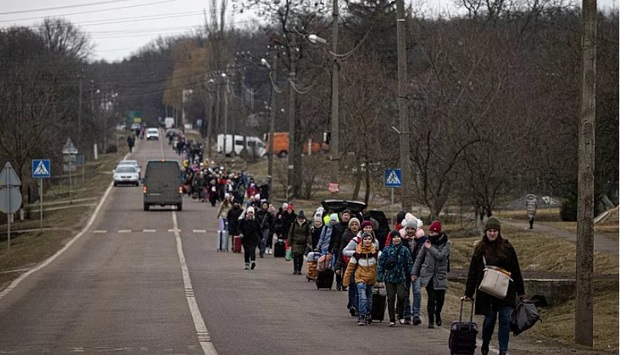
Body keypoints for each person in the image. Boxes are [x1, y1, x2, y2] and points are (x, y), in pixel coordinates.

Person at [463, 216, 526, 355]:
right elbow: (472, 272)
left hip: (505, 291)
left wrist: (521, 292)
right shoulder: (480, 249)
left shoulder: (508, 248)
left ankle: (503, 350)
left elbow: (515, 270)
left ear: (499, 232)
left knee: (505, 319)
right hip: (487, 292)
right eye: (490, 230)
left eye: (495, 231)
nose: (492, 233)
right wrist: (468, 293)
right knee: (489, 321)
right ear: (486, 232)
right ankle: (485, 343)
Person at [411, 220, 451, 328]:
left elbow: (441, 256)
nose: (431, 235)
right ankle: (431, 321)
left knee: (440, 299)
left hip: (440, 275)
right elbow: (419, 258)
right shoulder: (427, 242)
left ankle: (437, 314)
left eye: (433, 233)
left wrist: (430, 248)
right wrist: (414, 273)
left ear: (438, 232)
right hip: (428, 274)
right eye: (430, 232)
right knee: (431, 298)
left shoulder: (446, 243)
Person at [342, 232, 379, 326]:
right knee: (362, 297)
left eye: (369, 239)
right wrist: (346, 281)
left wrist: (380, 278)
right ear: (362, 241)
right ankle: (362, 315)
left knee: (369, 297)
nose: (367, 241)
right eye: (365, 239)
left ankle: (368, 313)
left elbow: (381, 265)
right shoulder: (357, 253)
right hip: (360, 278)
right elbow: (350, 267)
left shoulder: (376, 253)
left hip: (371, 278)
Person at [377, 230, 413, 327]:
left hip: (401, 277)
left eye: (398, 237)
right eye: (394, 237)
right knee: (391, 298)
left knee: (402, 296)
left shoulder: (405, 250)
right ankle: (392, 319)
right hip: (389, 278)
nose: (396, 239)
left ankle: (400, 314)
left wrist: (412, 274)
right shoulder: (386, 250)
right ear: (391, 239)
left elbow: (409, 263)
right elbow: (381, 264)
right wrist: (380, 278)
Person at [334, 217, 361, 315]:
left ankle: (355, 304)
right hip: (349, 265)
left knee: (358, 285)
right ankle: (353, 304)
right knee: (352, 284)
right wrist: (337, 267)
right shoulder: (346, 236)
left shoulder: (362, 237)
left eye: (356, 224)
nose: (354, 226)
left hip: (361, 265)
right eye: (352, 225)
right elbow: (342, 252)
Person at [327, 209, 352, 291]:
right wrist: (329, 249)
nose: (346, 217)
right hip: (337, 248)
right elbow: (332, 238)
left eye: (348, 216)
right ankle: (338, 282)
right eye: (345, 215)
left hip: (347, 249)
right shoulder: (336, 226)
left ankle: (344, 284)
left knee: (346, 267)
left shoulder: (351, 226)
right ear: (341, 216)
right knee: (337, 266)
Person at [287, 210, 311, 275]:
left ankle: (299, 269)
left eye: (302, 218)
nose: (300, 220)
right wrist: (289, 242)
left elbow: (309, 234)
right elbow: (290, 233)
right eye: (299, 218)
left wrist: (309, 241)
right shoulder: (294, 224)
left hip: (303, 243)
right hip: (295, 242)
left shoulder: (306, 225)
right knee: (295, 255)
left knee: (300, 257)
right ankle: (295, 269)